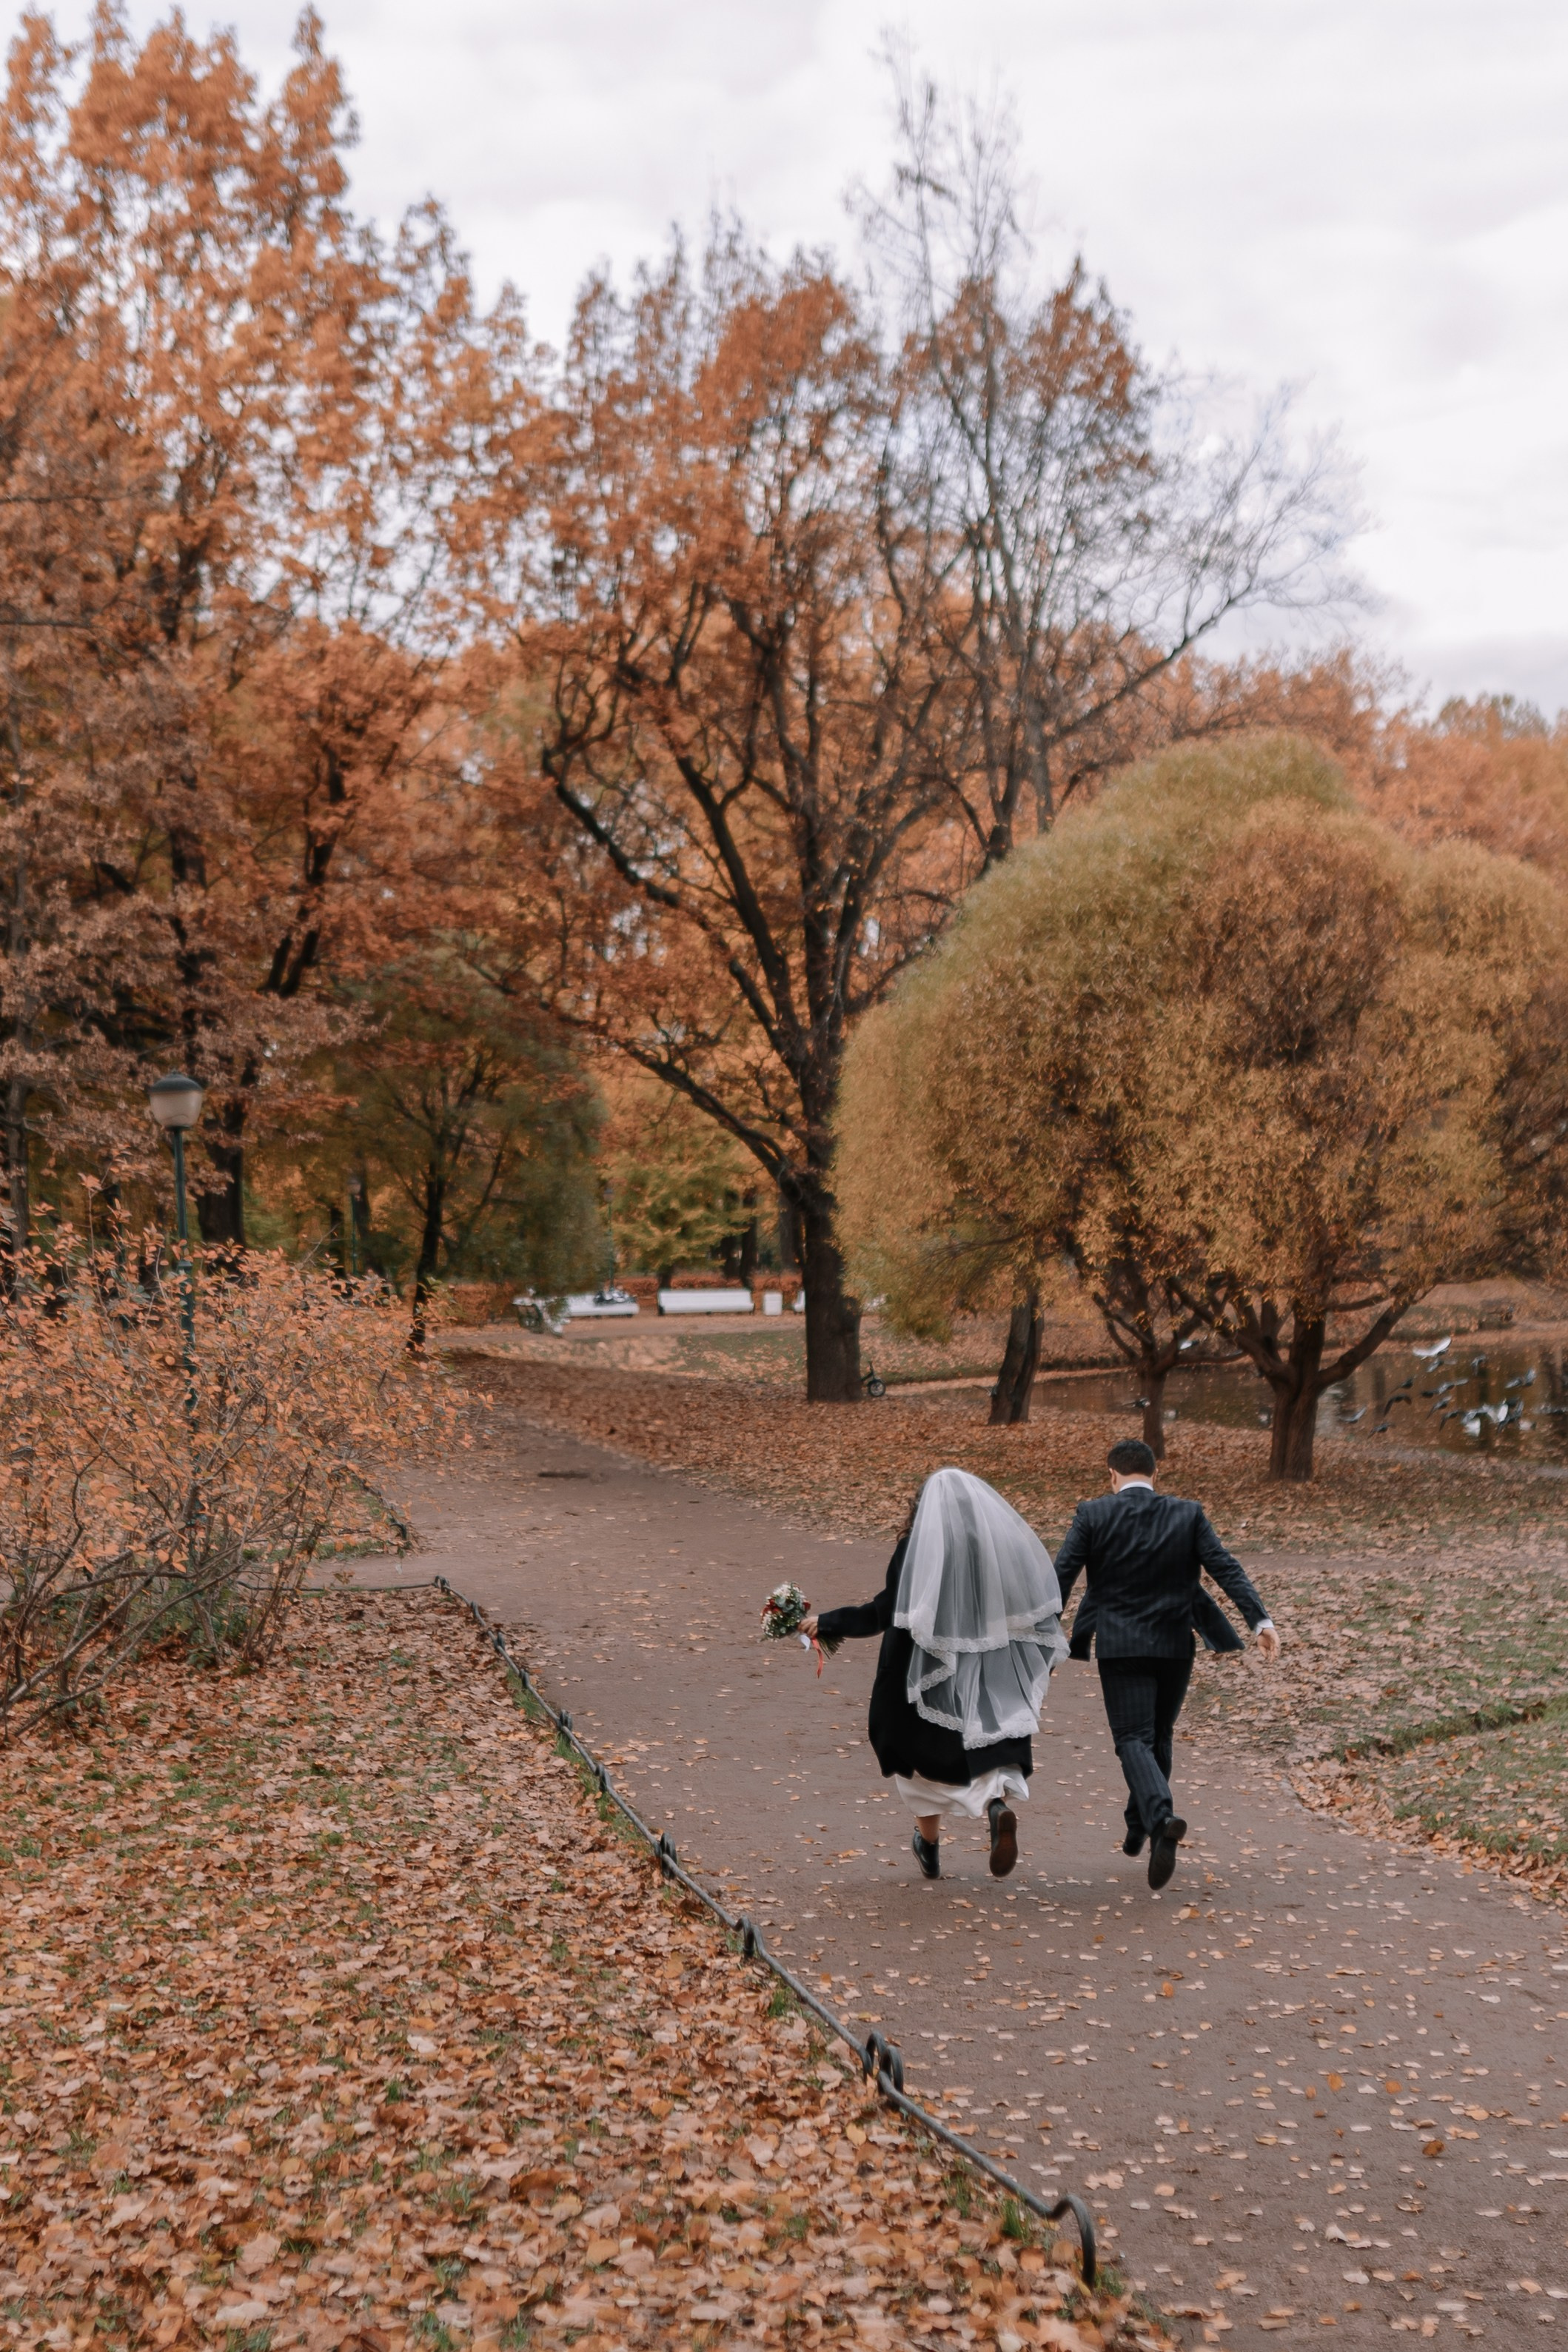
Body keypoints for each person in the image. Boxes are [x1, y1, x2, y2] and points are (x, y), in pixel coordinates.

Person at [802, 1466, 1067, 1882]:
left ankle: (929, 1844)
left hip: (920, 1675)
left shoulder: (916, 1549)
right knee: (979, 1745)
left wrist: (828, 1621)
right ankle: (994, 1806)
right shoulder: (992, 1548)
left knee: (916, 1765)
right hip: (978, 1669)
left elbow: (882, 1612)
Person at [1053, 1438, 1281, 1891]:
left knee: (1132, 1739)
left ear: (1111, 1475)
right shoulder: (1187, 1513)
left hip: (1121, 1646)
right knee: (1158, 1734)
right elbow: (1225, 1567)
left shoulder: (1093, 1514)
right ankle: (1141, 1822)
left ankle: (1159, 1817)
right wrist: (1260, 1621)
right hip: (1176, 1643)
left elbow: (1061, 1573)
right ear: (1155, 1475)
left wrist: (1042, 1634)